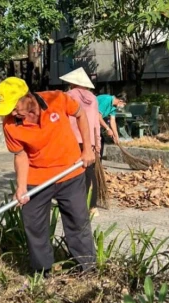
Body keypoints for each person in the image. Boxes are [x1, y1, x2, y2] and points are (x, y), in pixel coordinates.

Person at [0, 76, 96, 275]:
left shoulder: (57, 99)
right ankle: (42, 272)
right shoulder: (10, 125)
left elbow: (81, 115)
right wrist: (21, 187)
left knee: (77, 221)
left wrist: (88, 149)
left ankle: (86, 268)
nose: (12, 113)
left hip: (70, 170)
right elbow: (21, 155)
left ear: (27, 97)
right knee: (34, 225)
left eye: (15, 107)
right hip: (37, 178)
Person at [60, 67, 100, 217]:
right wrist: (97, 144)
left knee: (72, 173)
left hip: (72, 139)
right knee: (90, 173)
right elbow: (96, 123)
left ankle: (75, 204)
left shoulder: (67, 96)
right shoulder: (93, 98)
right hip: (89, 140)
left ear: (71, 83)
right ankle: (93, 206)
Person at [96, 94, 126, 158]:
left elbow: (112, 121)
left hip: (95, 122)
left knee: (101, 141)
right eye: (124, 104)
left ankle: (98, 165)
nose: (123, 106)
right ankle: (94, 164)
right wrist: (108, 129)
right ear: (120, 101)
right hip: (89, 120)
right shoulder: (107, 100)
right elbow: (98, 117)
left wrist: (116, 136)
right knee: (97, 142)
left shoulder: (114, 106)